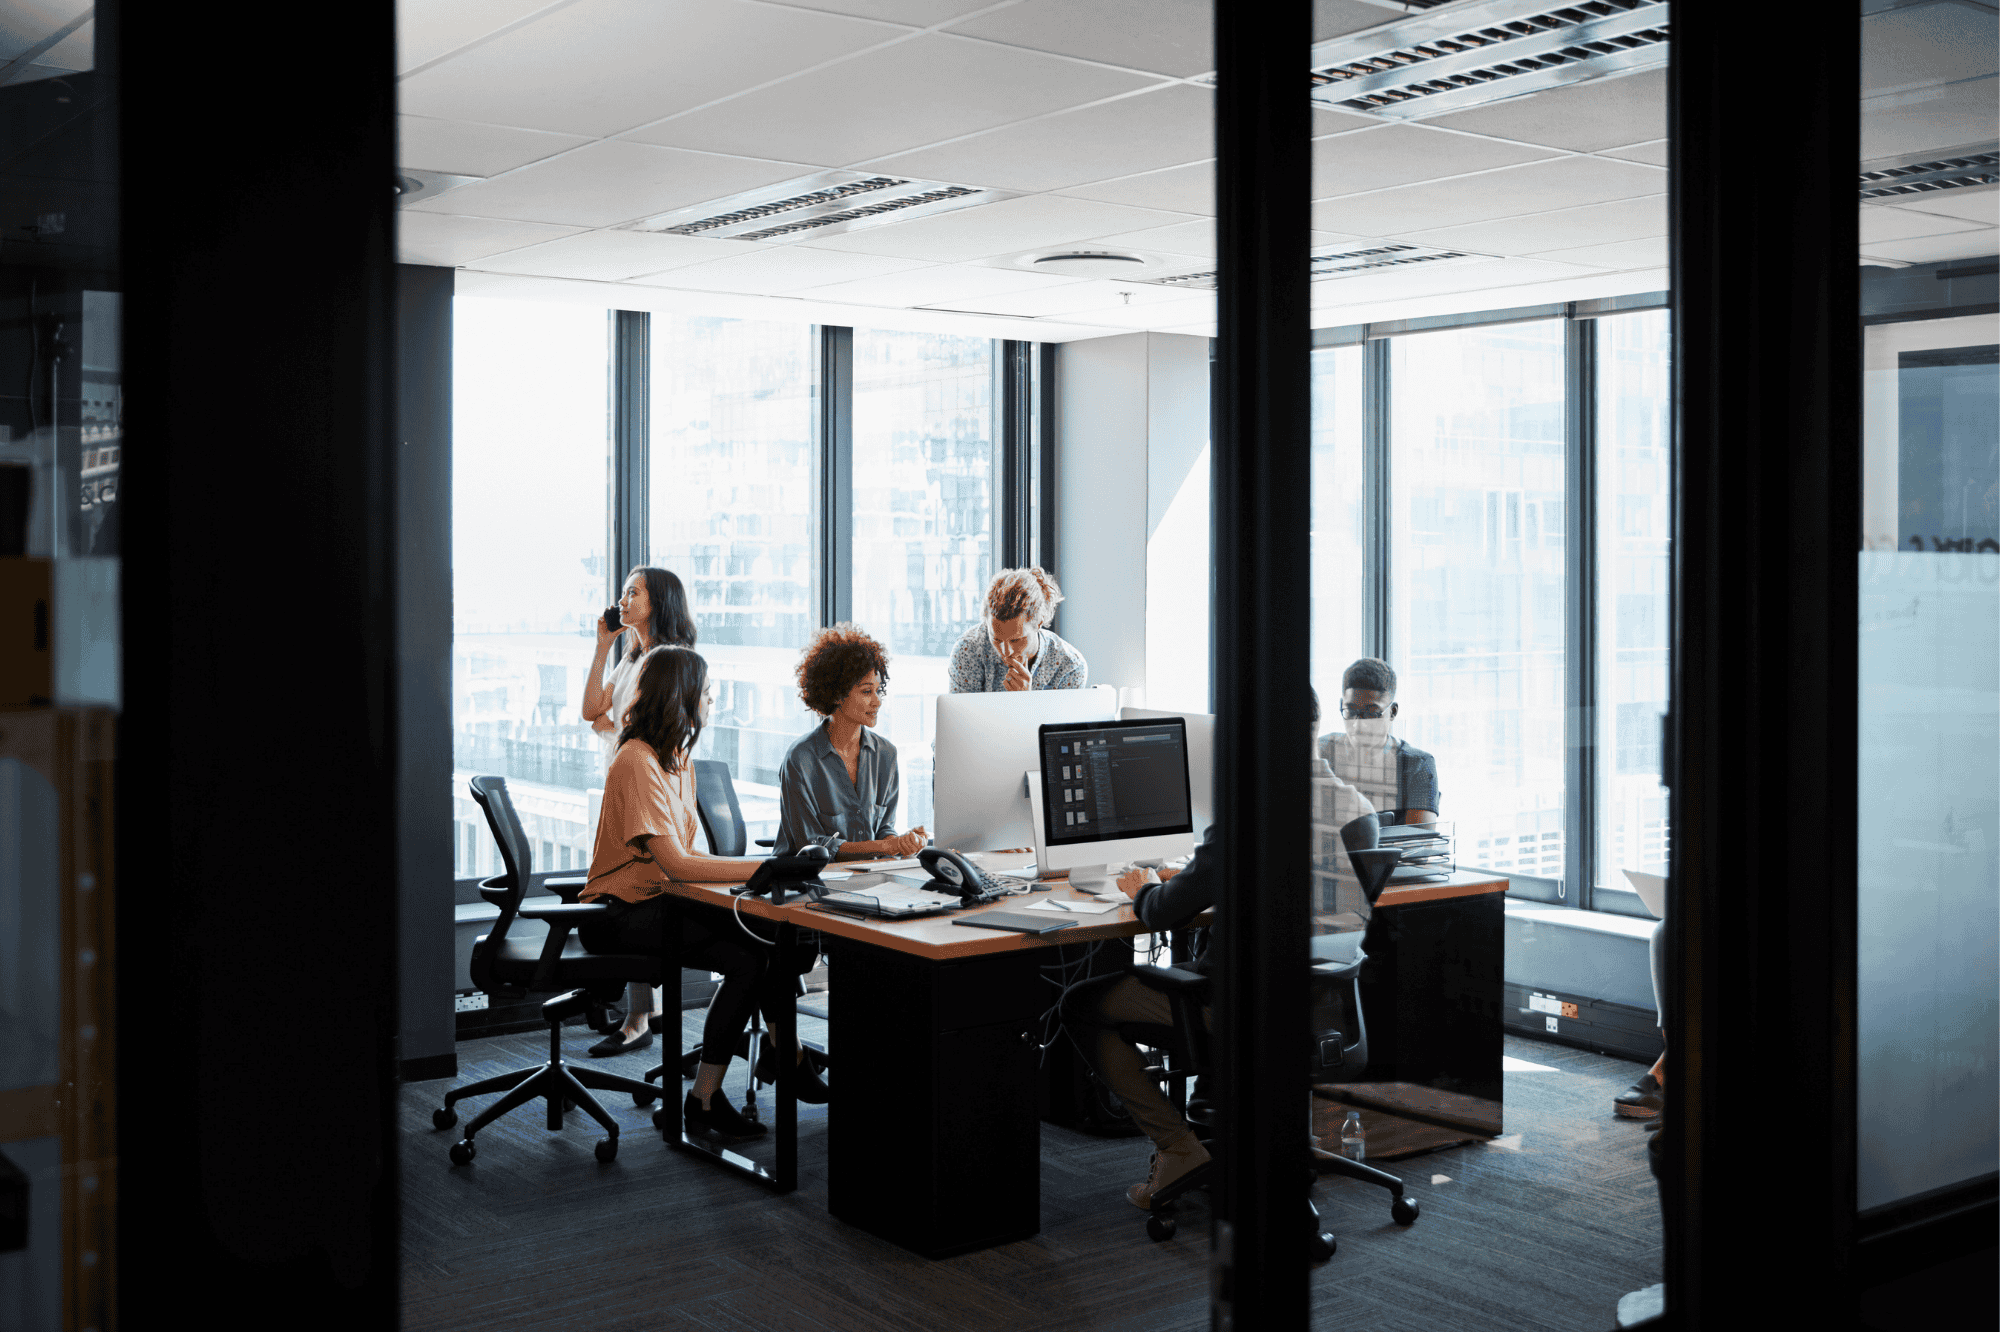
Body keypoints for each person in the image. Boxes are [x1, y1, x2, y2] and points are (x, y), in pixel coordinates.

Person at [1061, 697, 1374, 1211]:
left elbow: (1163, 912)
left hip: (1235, 1012)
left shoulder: (1249, 812)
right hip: (1323, 1011)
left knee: (1079, 1004)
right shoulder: (1360, 811)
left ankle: (1178, 1149)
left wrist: (1143, 885)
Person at [576, 644, 825, 1135]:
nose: (712, 701)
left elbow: (689, 861)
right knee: (753, 954)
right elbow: (675, 864)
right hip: (619, 913)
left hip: (660, 902)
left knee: (762, 948)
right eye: (707, 692)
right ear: (682, 697)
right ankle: (771, 1062)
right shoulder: (637, 760)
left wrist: (766, 870)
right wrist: (768, 865)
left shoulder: (677, 761)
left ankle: (728, 1085)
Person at [579, 565, 698, 1050]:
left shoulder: (673, 662)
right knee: (634, 891)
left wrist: (616, 727)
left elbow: (642, 726)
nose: (623, 600)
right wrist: (603, 646)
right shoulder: (631, 659)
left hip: (654, 788)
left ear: (659, 601)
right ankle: (639, 1018)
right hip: (627, 783)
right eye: (623, 592)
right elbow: (592, 710)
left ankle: (645, 1018)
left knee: (651, 889)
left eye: (634, 593)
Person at [774, 624, 928, 859]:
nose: (877, 702)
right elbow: (811, 846)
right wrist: (884, 846)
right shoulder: (800, 759)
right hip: (805, 880)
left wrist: (901, 843)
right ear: (836, 693)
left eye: (879, 690)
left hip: (867, 879)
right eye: (867, 691)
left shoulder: (886, 754)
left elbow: (884, 830)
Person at [1318, 657, 1439, 823]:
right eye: (1350, 711)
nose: (1359, 724)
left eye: (1371, 713)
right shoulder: (1321, 752)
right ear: (1341, 704)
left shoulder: (1417, 765)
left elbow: (1418, 843)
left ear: (1393, 712)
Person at [947, 567, 1088, 693]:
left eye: (1016, 640)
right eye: (996, 639)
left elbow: (1058, 722)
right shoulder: (968, 650)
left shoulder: (1069, 666)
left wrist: (1025, 702)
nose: (1006, 651)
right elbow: (961, 720)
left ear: (1039, 623)